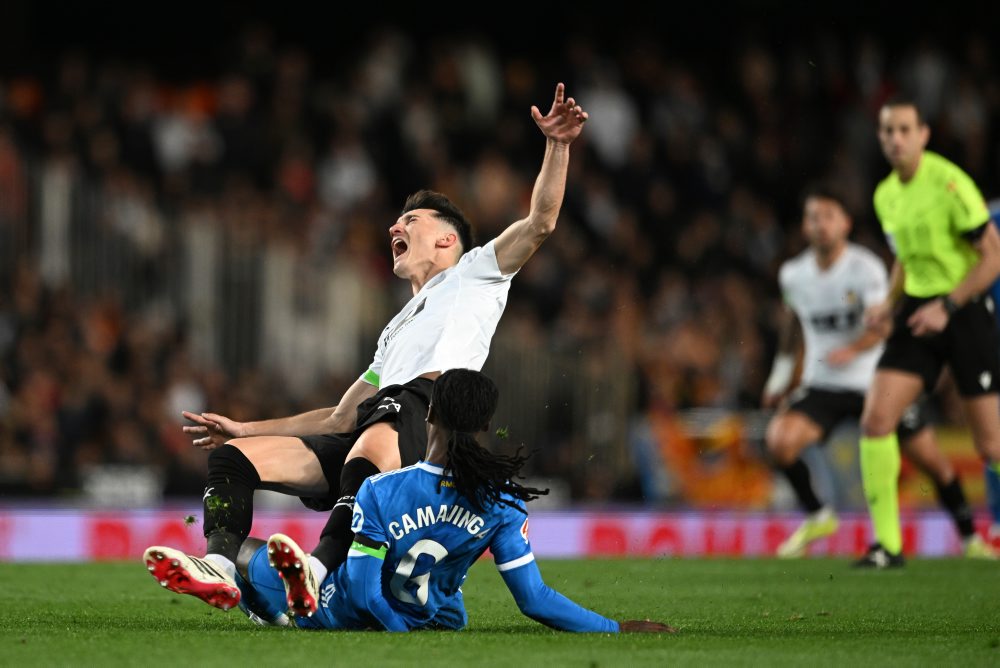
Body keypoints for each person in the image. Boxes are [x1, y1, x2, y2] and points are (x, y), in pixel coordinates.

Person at [143, 83, 590, 608]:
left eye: (412, 220)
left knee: (376, 433)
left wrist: (558, 144)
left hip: (429, 419)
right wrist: (246, 428)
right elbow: (339, 416)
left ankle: (316, 568)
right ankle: (219, 567)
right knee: (234, 460)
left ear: (447, 239)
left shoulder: (476, 273)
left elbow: (540, 223)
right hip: (379, 426)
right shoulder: (394, 330)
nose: (395, 225)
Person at [227, 369, 674, 633]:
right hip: (424, 613)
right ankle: (269, 604)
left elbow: (363, 593)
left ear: (428, 414)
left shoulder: (380, 489)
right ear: (485, 426)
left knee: (249, 556)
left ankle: (259, 600)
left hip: (334, 610)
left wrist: (398, 636)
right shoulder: (501, 501)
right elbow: (534, 599)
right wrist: (614, 628)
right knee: (448, 603)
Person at [762, 185, 996, 559]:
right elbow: (793, 325)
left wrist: (853, 349)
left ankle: (970, 538)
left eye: (828, 216)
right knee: (778, 440)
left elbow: (883, 325)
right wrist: (780, 376)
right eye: (813, 217)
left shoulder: (865, 268)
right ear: (804, 226)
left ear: (846, 223)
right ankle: (819, 516)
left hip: (874, 381)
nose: (821, 225)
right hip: (824, 384)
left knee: (933, 463)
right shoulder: (793, 274)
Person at [854, 96, 1000, 567]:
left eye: (904, 130)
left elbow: (994, 257)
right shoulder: (885, 194)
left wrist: (948, 306)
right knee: (877, 420)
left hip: (965, 306)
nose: (895, 139)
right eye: (888, 131)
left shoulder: (950, 183)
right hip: (919, 311)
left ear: (923, 135)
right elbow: (905, 257)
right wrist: (888, 303)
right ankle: (888, 547)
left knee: (992, 446)